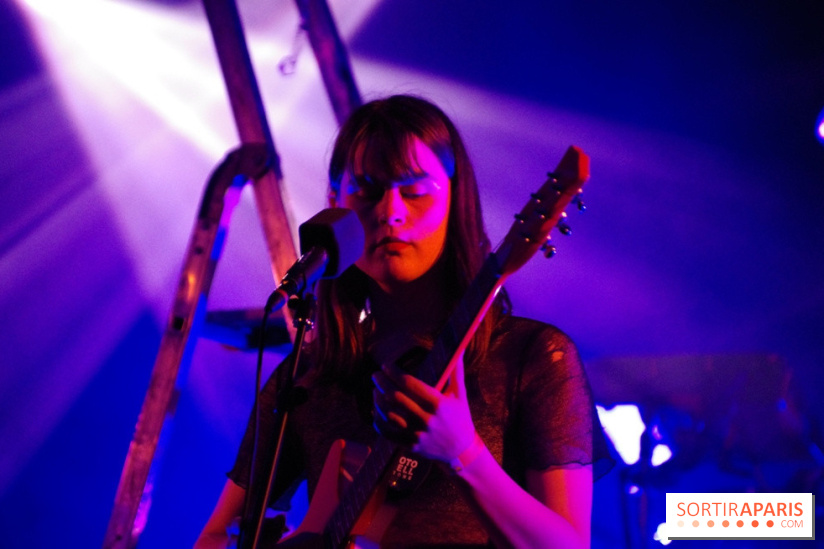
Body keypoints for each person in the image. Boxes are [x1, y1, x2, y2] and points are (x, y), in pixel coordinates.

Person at [196, 94, 611, 548]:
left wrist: (464, 454)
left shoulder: (532, 358)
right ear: (335, 203)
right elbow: (216, 536)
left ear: (456, 201)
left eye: (414, 191)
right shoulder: (308, 380)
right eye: (368, 191)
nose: (390, 212)